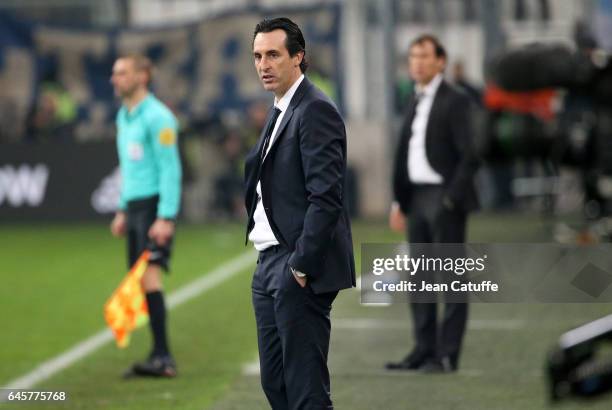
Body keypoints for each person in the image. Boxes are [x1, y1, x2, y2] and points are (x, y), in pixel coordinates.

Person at [244, 17, 355, 409]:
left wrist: (301, 266)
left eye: (273, 54)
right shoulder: (280, 108)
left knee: (305, 391)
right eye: (258, 56)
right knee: (276, 386)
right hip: (268, 264)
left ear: (298, 58)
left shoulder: (314, 109)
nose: (263, 64)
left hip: (296, 266)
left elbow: (326, 197)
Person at [386, 34, 479, 373]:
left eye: (424, 56)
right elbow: (405, 155)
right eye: (413, 57)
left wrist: (451, 198)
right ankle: (424, 349)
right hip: (417, 198)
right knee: (420, 278)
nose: (418, 63)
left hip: (444, 197)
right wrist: (400, 200)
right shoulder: (413, 99)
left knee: (451, 279)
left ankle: (447, 354)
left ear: (441, 61)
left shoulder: (455, 100)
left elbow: (471, 153)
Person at [109, 54, 182, 378]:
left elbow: (170, 169)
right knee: (141, 280)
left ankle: (164, 358)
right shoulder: (124, 116)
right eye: (114, 73)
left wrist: (165, 216)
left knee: (150, 277)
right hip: (136, 208)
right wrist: (124, 209)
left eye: (122, 72)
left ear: (142, 76)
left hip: (154, 207)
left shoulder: (159, 117)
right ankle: (158, 353)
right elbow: (129, 168)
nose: (115, 78)